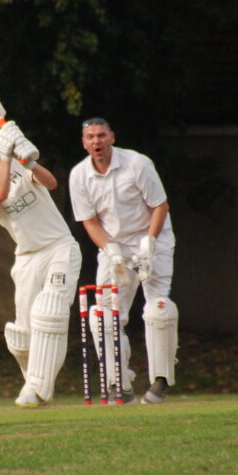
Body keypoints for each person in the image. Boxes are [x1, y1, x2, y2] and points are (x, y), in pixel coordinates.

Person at [0, 121, 82, 408]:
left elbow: (52, 183)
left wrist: (31, 162)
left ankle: (36, 389)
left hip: (59, 247)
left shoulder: (18, 166)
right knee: (22, 335)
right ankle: (34, 387)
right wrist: (7, 157)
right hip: (27, 258)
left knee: (50, 310)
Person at [69, 117, 178, 404]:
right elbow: (90, 221)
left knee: (158, 310)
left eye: (101, 135)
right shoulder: (79, 175)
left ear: (112, 137)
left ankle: (161, 380)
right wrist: (111, 250)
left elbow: (160, 206)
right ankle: (119, 381)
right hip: (114, 246)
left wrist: (149, 243)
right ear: (84, 142)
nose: (96, 141)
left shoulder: (137, 164)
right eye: (91, 137)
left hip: (154, 240)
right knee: (103, 315)